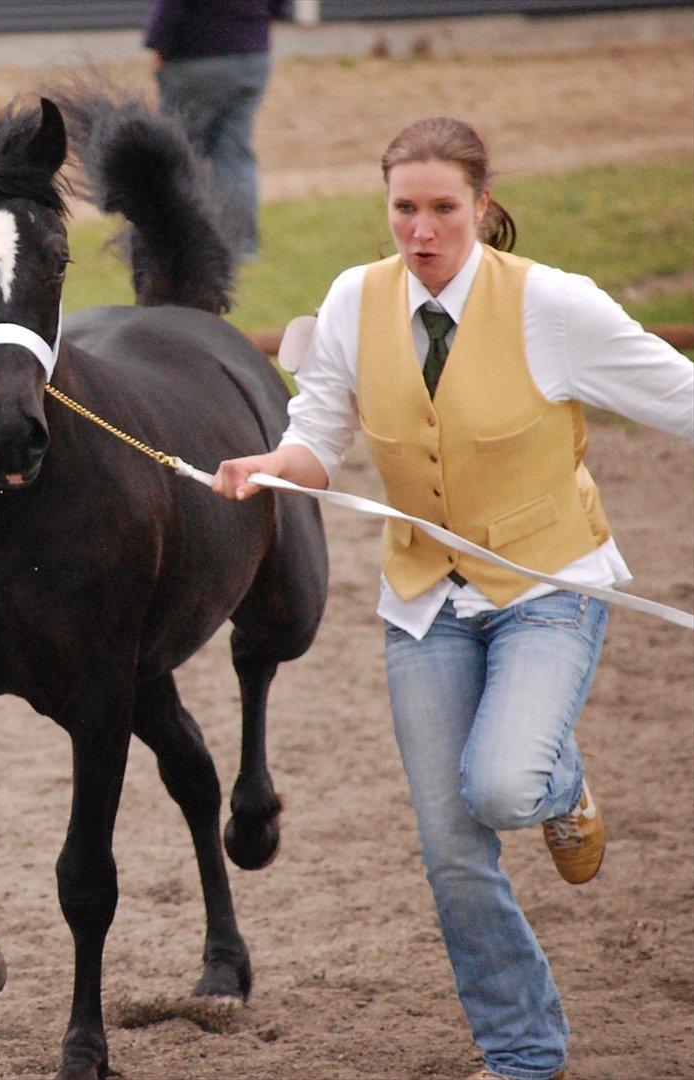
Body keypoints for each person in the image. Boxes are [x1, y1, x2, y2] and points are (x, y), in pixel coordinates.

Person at [212, 116, 694, 1080]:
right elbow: (320, 435)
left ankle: (557, 780)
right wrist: (274, 465)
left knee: (504, 785)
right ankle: (522, 1051)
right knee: (454, 853)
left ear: (481, 205)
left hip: (549, 586)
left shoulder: (556, 304)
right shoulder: (355, 299)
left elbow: (681, 396)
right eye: (403, 209)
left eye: (441, 208)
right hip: (424, 599)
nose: (421, 230)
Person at [144, 0, 288, 262]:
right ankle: (239, 245)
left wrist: (158, 45)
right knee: (235, 155)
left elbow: (170, 7)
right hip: (253, 55)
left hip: (196, 56)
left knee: (181, 153)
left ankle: (181, 244)